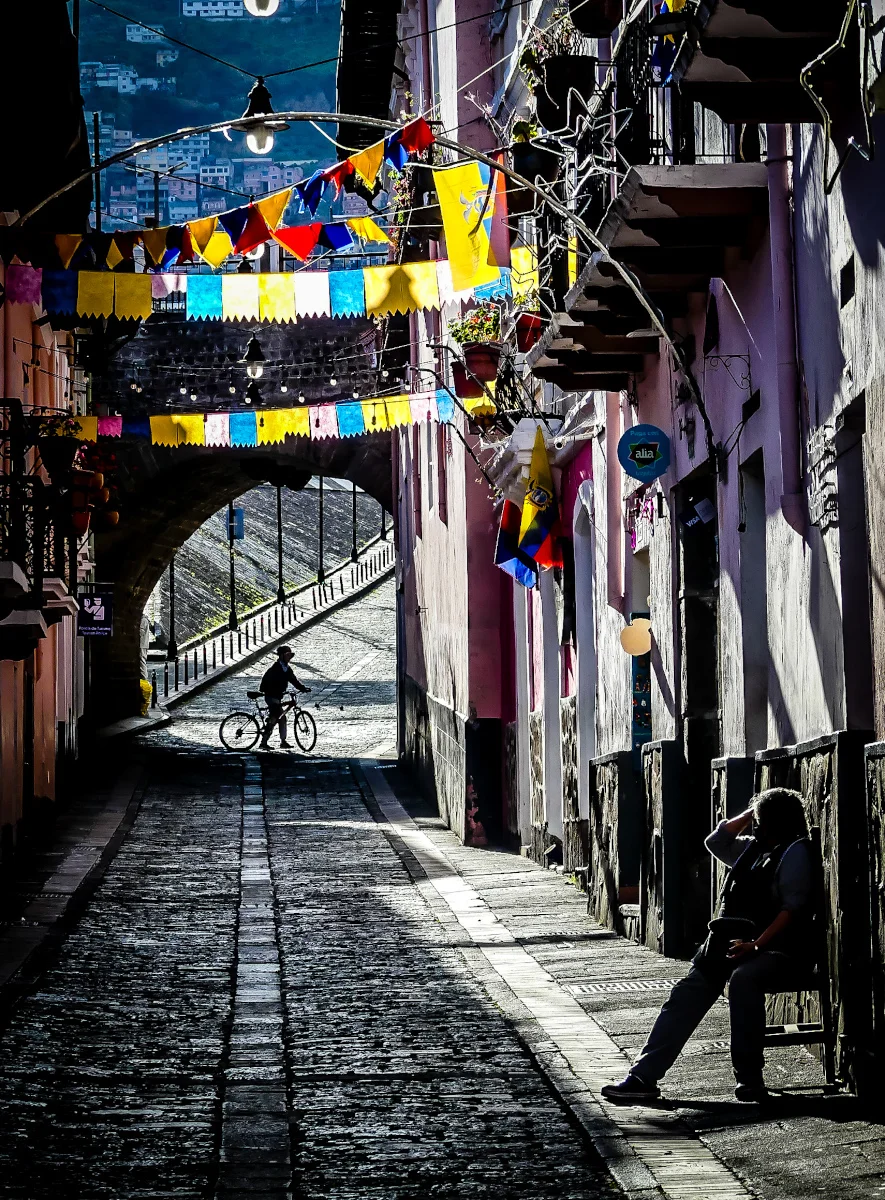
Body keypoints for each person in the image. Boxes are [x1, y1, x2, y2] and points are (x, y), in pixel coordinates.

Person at [601, 787, 814, 1104]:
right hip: (729, 944)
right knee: (687, 993)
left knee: (745, 980)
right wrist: (750, 810)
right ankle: (643, 1076)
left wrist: (756, 947)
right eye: (755, 820)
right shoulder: (751, 849)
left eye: (762, 820)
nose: (756, 826)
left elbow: (791, 910)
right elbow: (716, 841)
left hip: (778, 949)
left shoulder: (794, 852)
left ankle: (749, 1078)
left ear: (776, 821)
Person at [259, 645, 309, 749]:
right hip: (271, 695)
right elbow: (270, 683)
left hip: (277, 696)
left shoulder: (286, 668)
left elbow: (293, 680)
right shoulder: (276, 668)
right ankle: (264, 742)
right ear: (281, 656)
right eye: (287, 655)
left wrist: (302, 688)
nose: (289, 658)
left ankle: (282, 742)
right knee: (276, 717)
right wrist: (278, 690)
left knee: (281, 718)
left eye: (289, 655)